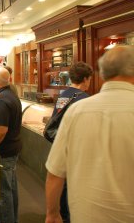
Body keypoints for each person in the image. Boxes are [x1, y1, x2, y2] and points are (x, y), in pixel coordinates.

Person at [45, 45, 134, 223]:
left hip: (85, 215)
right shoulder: (81, 101)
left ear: (102, 74)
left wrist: (52, 213)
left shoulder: (77, 108)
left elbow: (55, 172)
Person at [49, 61, 93, 222]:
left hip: (61, 144)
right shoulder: (85, 99)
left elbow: (56, 118)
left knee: (62, 185)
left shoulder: (63, 95)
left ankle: (63, 215)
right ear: (86, 79)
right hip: (76, 148)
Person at [0, 66, 22, 223]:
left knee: (2, 192)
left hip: (2, 153)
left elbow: (0, 130)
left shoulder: (1, 100)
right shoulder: (11, 96)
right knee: (10, 189)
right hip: (11, 150)